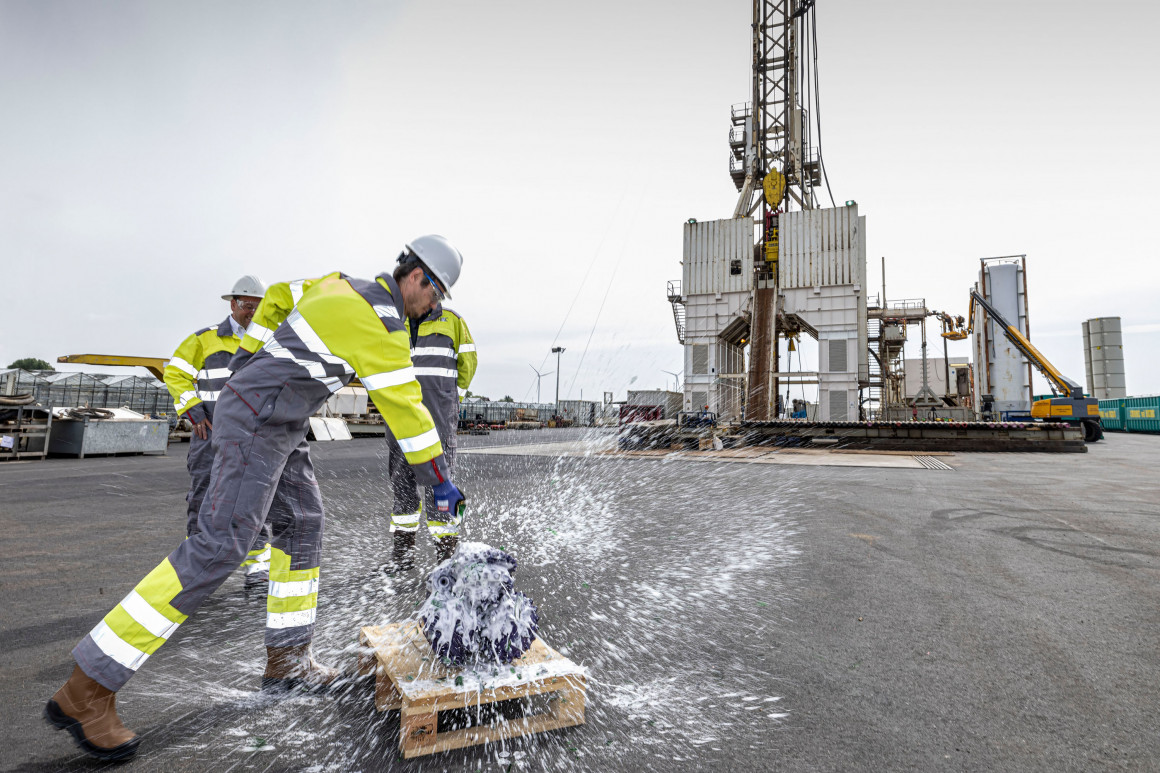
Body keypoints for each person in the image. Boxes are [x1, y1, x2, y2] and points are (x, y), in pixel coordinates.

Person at [44, 236, 467, 762]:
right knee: (219, 545)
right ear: (420, 279)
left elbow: (281, 295)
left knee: (303, 523)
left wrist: (249, 355)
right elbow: (407, 408)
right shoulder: (381, 326)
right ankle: (88, 689)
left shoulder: (339, 283)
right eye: (437, 297)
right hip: (258, 422)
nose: (434, 309)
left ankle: (288, 660)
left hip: (276, 422)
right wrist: (441, 481)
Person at [163, 275, 272, 586]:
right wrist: (192, 408)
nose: (253, 312)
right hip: (208, 431)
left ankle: (257, 567)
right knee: (203, 495)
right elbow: (176, 373)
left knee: (253, 497)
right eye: (248, 306)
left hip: (252, 434)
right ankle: (194, 567)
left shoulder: (267, 341)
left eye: (258, 307)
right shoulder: (204, 339)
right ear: (233, 304)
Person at [387, 246, 477, 570]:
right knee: (403, 489)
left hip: (438, 421)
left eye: (440, 294)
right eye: (435, 292)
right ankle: (403, 558)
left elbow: (468, 366)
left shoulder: (453, 323)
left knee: (442, 492)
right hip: (399, 424)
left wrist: (453, 402)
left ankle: (446, 562)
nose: (435, 300)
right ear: (418, 278)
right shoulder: (393, 321)